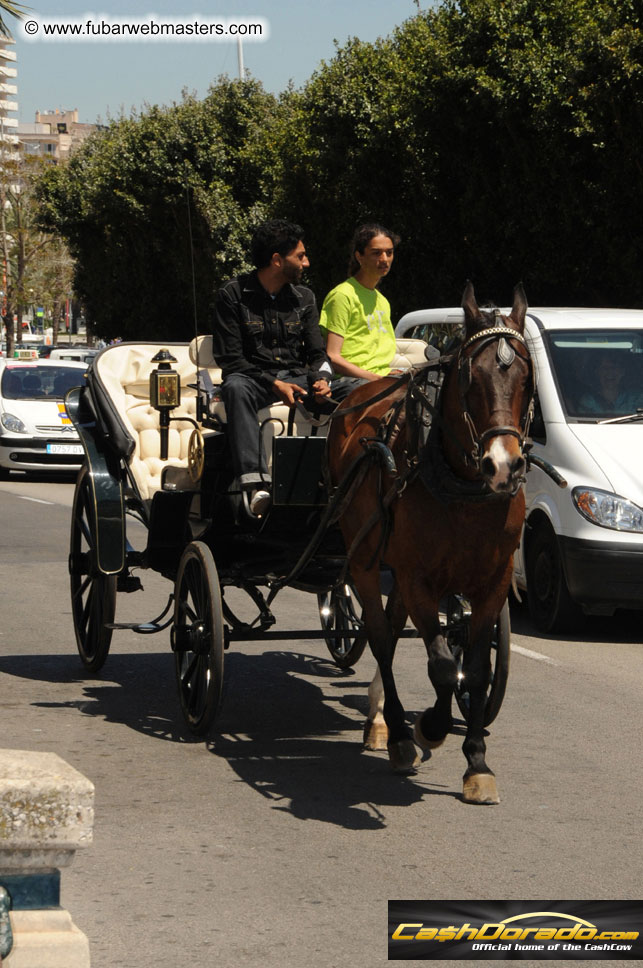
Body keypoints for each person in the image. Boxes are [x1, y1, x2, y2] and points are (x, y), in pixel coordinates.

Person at [211, 219, 358, 517]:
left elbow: (317, 354)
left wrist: (322, 380)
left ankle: (351, 478)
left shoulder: (305, 297)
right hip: (255, 382)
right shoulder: (232, 295)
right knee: (235, 386)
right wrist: (275, 385)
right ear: (277, 260)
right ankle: (255, 486)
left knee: (358, 390)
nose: (306, 262)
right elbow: (230, 360)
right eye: (300, 256)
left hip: (299, 379)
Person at [319, 223, 400, 381]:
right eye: (376, 253)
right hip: (352, 382)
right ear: (359, 256)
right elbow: (333, 357)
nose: (384, 259)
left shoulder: (382, 301)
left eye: (389, 253)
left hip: (382, 379)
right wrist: (376, 379)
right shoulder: (342, 296)